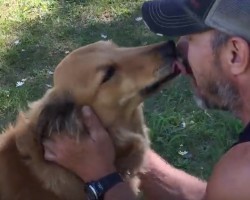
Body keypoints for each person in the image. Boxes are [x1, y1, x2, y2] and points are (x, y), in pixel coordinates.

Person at [43, 0, 250, 199]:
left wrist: (101, 178)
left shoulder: (241, 174)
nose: (180, 46)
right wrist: (125, 150)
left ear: (235, 54)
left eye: (191, 37)